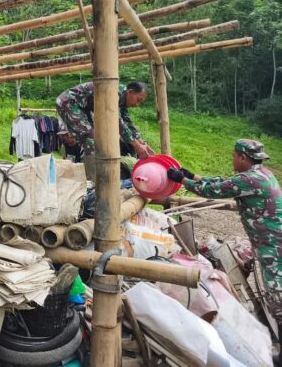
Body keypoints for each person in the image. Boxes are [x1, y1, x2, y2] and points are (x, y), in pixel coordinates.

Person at [167, 139, 282, 335]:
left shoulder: (249, 180)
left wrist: (182, 180)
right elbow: (222, 182)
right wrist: (191, 176)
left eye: (234, 156)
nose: (232, 159)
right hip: (270, 242)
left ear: (243, 157)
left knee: (277, 296)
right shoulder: (261, 174)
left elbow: (211, 190)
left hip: (273, 246)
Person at [55, 81, 154, 158]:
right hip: (69, 102)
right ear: (130, 92)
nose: (137, 104)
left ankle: (93, 166)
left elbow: (127, 121)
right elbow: (117, 121)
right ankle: (93, 173)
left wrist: (141, 142)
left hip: (83, 107)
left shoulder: (124, 97)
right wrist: (136, 144)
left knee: (97, 136)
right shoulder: (115, 93)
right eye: (138, 100)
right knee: (90, 137)